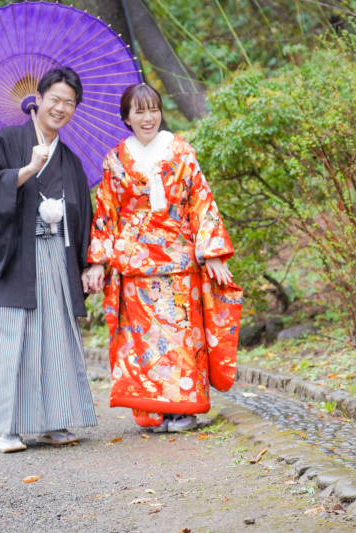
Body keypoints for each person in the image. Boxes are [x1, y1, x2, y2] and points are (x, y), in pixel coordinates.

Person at [82, 83, 242, 431]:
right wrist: (97, 262)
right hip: (134, 264)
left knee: (182, 335)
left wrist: (213, 252)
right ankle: (152, 410)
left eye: (153, 108)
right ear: (126, 117)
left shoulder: (181, 152)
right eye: (138, 111)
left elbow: (201, 200)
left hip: (179, 260)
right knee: (141, 341)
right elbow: (106, 213)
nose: (148, 117)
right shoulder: (115, 159)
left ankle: (181, 409)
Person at [0, 67, 98, 453]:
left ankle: (55, 421)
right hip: (18, 255)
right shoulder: (9, 141)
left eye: (70, 103)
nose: (61, 108)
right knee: (16, 336)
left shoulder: (72, 161)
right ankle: (10, 428)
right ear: (39, 99)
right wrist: (28, 169)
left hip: (58, 257)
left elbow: (86, 216)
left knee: (56, 336)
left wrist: (89, 262)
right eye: (55, 99)